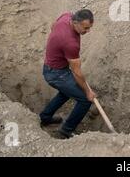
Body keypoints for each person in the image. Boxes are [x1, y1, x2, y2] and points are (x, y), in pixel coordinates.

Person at [39, 9, 96, 139]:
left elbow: (53, 26)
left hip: (53, 67)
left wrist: (57, 44)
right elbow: (76, 72)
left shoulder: (66, 16)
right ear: (75, 22)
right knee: (84, 100)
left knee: (65, 93)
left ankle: (45, 117)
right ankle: (66, 130)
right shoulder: (71, 43)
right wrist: (88, 91)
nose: (88, 31)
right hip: (56, 74)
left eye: (90, 28)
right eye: (85, 28)